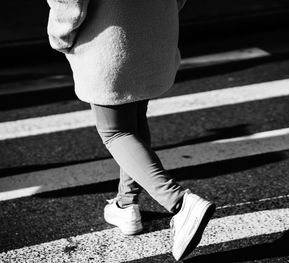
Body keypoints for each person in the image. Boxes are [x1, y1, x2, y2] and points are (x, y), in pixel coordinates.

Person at [46, 0, 215, 260]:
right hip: (156, 30)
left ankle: (180, 202)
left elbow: (70, 3)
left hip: (107, 38)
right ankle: (127, 204)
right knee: (133, 119)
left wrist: (60, 35)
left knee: (115, 132)